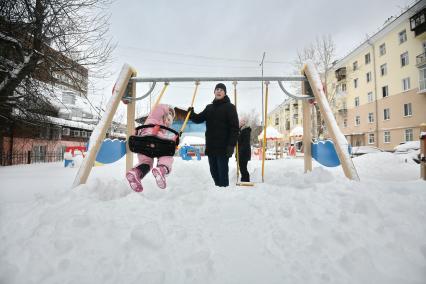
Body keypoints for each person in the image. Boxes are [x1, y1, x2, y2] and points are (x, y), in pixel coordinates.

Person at [188, 83, 239, 187]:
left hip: (223, 147)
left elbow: (234, 128)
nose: (219, 91)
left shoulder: (230, 107)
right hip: (211, 147)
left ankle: (224, 194)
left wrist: (231, 145)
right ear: (214, 92)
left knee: (222, 173)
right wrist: (191, 114)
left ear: (225, 93)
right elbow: (199, 119)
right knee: (213, 172)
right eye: (217, 89)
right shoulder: (209, 107)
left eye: (221, 90)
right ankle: (218, 193)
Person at [126, 104, 175, 192]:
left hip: (143, 145)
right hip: (151, 138)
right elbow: (159, 108)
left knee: (146, 163)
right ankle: (162, 168)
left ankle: (136, 172)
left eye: (169, 122)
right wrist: (168, 109)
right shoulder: (154, 118)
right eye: (167, 119)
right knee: (167, 154)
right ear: (164, 115)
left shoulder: (162, 130)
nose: (167, 123)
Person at [237, 115, 251, 182]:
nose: (239, 124)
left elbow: (244, 144)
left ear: (243, 124)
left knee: (243, 167)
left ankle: (246, 180)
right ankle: (244, 179)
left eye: (240, 123)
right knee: (242, 167)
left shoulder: (245, 131)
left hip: (244, 153)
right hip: (242, 153)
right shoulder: (242, 131)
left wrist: (240, 153)